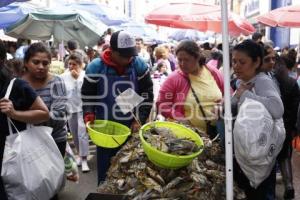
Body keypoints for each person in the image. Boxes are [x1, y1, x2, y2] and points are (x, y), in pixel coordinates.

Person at [81, 30, 153, 184]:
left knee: (130, 169)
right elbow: (88, 94)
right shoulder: (95, 67)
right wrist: (88, 114)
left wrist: (139, 118)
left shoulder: (139, 65)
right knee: (106, 169)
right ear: (112, 51)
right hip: (104, 126)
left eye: (131, 55)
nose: (129, 59)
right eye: (124, 55)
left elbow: (147, 93)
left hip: (131, 125)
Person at [231, 39, 284, 199]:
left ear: (256, 62)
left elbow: (277, 109)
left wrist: (245, 95)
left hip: (260, 153)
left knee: (261, 194)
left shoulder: (262, 81)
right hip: (250, 152)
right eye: (234, 61)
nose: (236, 66)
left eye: (242, 62)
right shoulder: (242, 81)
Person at [0, 41, 49, 200]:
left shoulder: (17, 85)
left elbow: (44, 113)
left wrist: (14, 113)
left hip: (12, 156)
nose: (40, 66)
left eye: (44, 63)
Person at [156, 40, 224, 136]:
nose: (182, 64)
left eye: (187, 60)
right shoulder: (173, 79)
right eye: (179, 60)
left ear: (197, 58)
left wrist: (223, 103)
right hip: (188, 135)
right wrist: (180, 118)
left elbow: (228, 92)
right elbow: (162, 104)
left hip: (216, 132)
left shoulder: (212, 72)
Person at [22, 42, 68, 157]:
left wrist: (19, 115)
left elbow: (58, 115)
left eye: (45, 63)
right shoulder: (18, 84)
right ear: (26, 63)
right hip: (26, 141)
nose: (41, 67)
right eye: (36, 62)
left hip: (54, 140)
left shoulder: (57, 82)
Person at [60, 52, 90, 172]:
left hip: (83, 108)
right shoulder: (63, 76)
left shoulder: (85, 75)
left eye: (74, 64)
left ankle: (84, 159)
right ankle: (79, 154)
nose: (71, 66)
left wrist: (77, 79)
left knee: (82, 134)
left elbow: (84, 92)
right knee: (74, 133)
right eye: (70, 64)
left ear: (81, 65)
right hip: (70, 109)